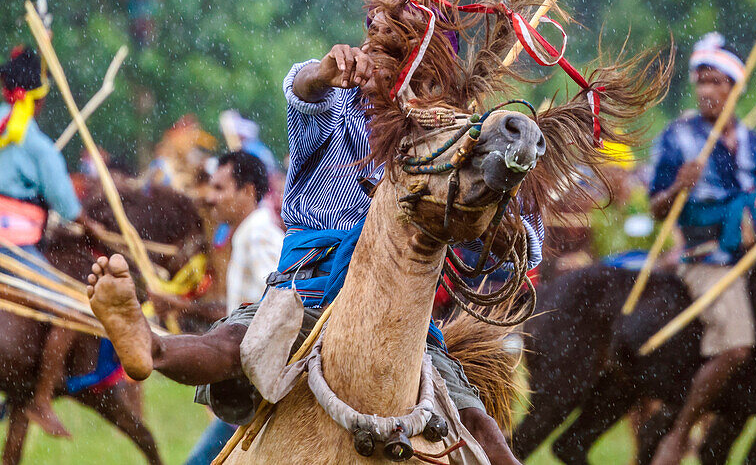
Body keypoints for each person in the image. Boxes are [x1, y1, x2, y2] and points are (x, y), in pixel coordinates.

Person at [87, 42, 538, 465]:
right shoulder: (338, 101)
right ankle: (150, 347)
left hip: (405, 325)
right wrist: (320, 73)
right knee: (233, 346)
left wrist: (507, 173)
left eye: (404, 51)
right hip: (309, 289)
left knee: (475, 421)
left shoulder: (454, 139)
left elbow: (525, 246)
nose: (379, 54)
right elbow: (303, 90)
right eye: (376, 38)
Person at [648, 33, 756, 465]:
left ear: (735, 88)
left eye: (717, 81)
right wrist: (679, 186)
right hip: (709, 260)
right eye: (701, 81)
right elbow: (657, 208)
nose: (706, 90)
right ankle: (680, 435)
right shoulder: (678, 137)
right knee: (737, 348)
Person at [179, 151, 283, 464]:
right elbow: (241, 308)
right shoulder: (247, 232)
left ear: (248, 192)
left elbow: (283, 299)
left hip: (255, 382)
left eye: (220, 188)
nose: (211, 198)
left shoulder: (259, 234)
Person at [0, 47, 83, 437]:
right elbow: (69, 208)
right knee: (71, 308)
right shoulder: (37, 144)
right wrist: (90, 228)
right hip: (15, 250)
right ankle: (42, 399)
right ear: (41, 97)